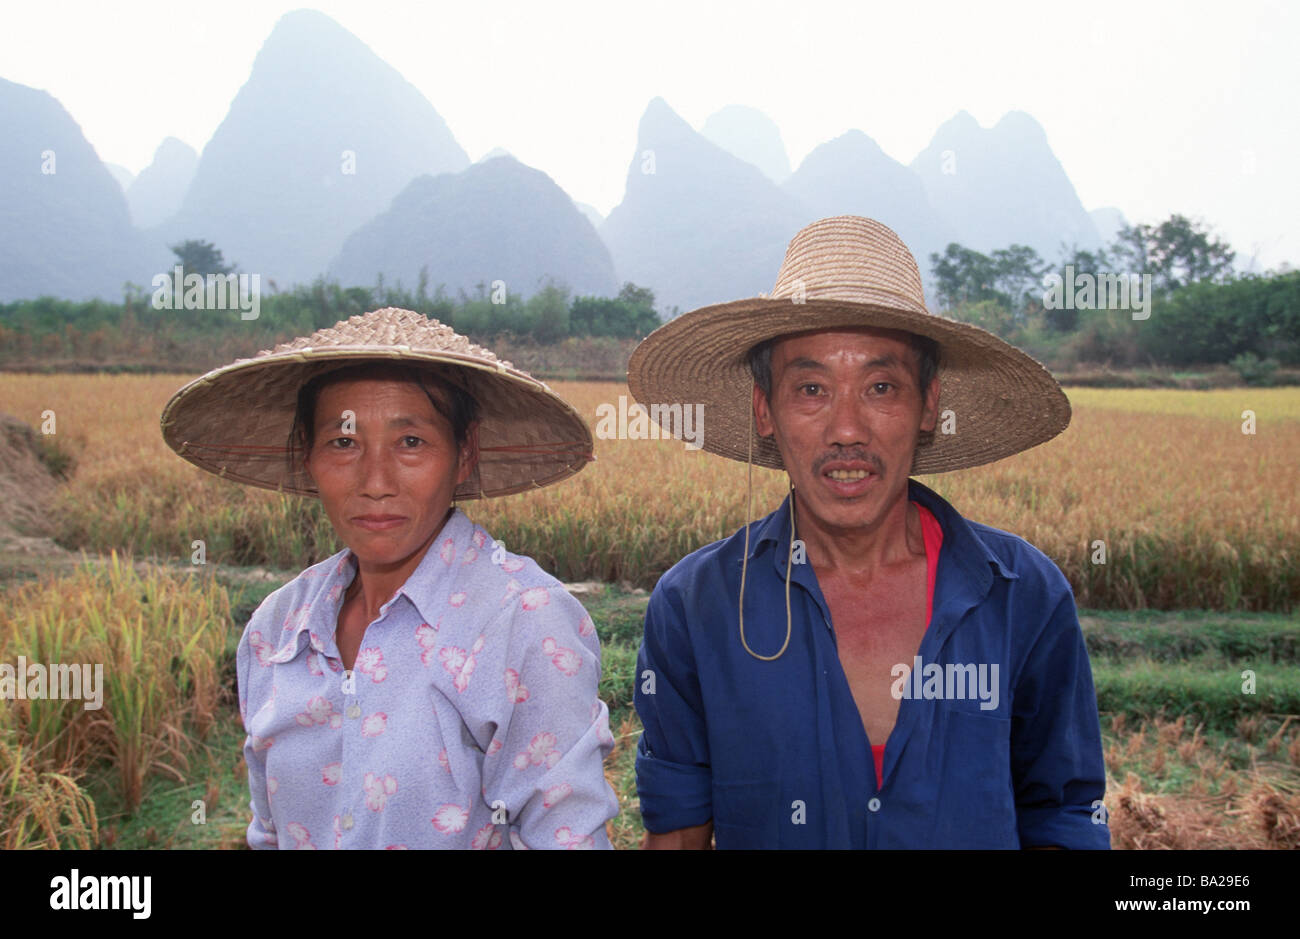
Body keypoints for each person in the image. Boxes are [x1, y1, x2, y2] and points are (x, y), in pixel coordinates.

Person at [626, 216, 1110, 849]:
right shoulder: (697, 607)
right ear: (763, 410)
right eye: (811, 388)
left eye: (881, 387)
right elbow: (679, 830)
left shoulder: (1023, 596)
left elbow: (1064, 816)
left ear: (929, 406)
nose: (846, 428)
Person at [161, 307, 619, 849]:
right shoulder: (277, 630)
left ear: (464, 453)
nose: (375, 482)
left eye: (410, 443)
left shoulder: (522, 620)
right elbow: (270, 834)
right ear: (307, 454)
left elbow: (567, 838)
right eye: (344, 442)